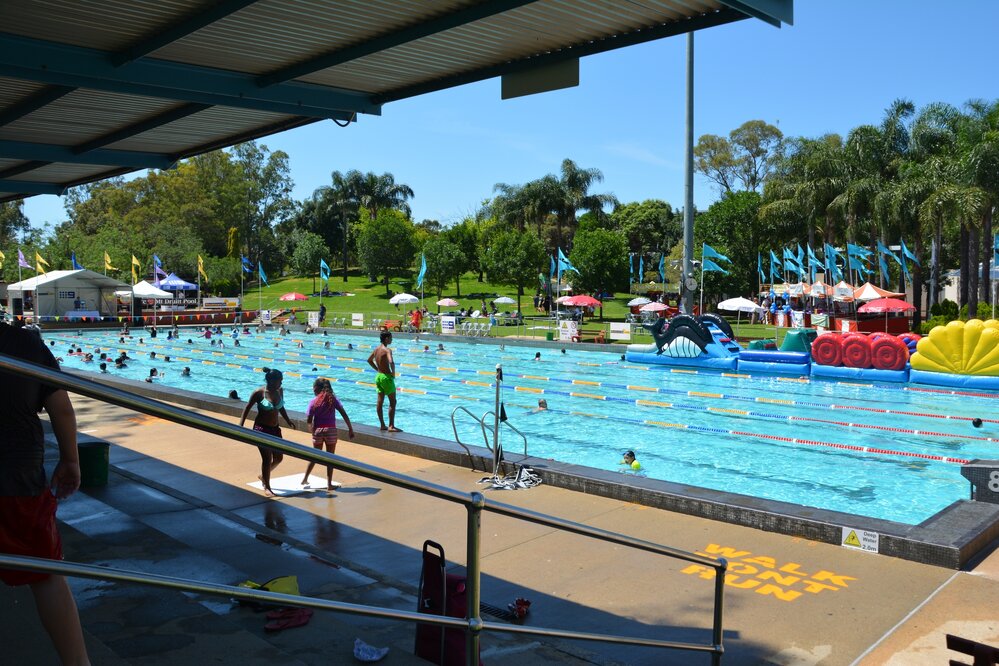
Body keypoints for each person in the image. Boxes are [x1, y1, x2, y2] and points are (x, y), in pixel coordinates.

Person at [0, 320, 91, 665]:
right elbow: (61, 407)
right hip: (19, 476)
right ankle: (78, 663)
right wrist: (71, 460)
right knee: (47, 573)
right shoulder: (25, 343)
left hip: (18, 475)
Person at [239, 369, 296, 496]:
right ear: (271, 380)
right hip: (261, 429)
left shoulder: (280, 391)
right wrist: (241, 425)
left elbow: (281, 407)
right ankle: (267, 486)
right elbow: (247, 407)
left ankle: (263, 476)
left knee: (279, 458)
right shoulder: (259, 393)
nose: (281, 383)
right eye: (279, 380)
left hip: (275, 429)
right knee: (266, 458)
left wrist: (288, 420)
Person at [301, 378, 355, 492]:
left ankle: (305, 478)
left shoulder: (314, 402)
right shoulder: (332, 399)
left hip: (318, 431)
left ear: (316, 388)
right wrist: (350, 428)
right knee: (330, 458)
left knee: (314, 456)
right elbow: (344, 414)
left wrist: (312, 431)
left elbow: (309, 420)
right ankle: (329, 484)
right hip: (331, 431)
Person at [367, 331, 401, 432]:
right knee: (393, 402)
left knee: (380, 401)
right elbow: (391, 362)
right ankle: (391, 426)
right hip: (386, 377)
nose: (392, 340)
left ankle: (382, 425)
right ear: (386, 339)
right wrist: (393, 373)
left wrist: (377, 369)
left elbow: (369, 360)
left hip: (378, 376)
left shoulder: (376, 349)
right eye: (391, 338)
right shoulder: (387, 350)